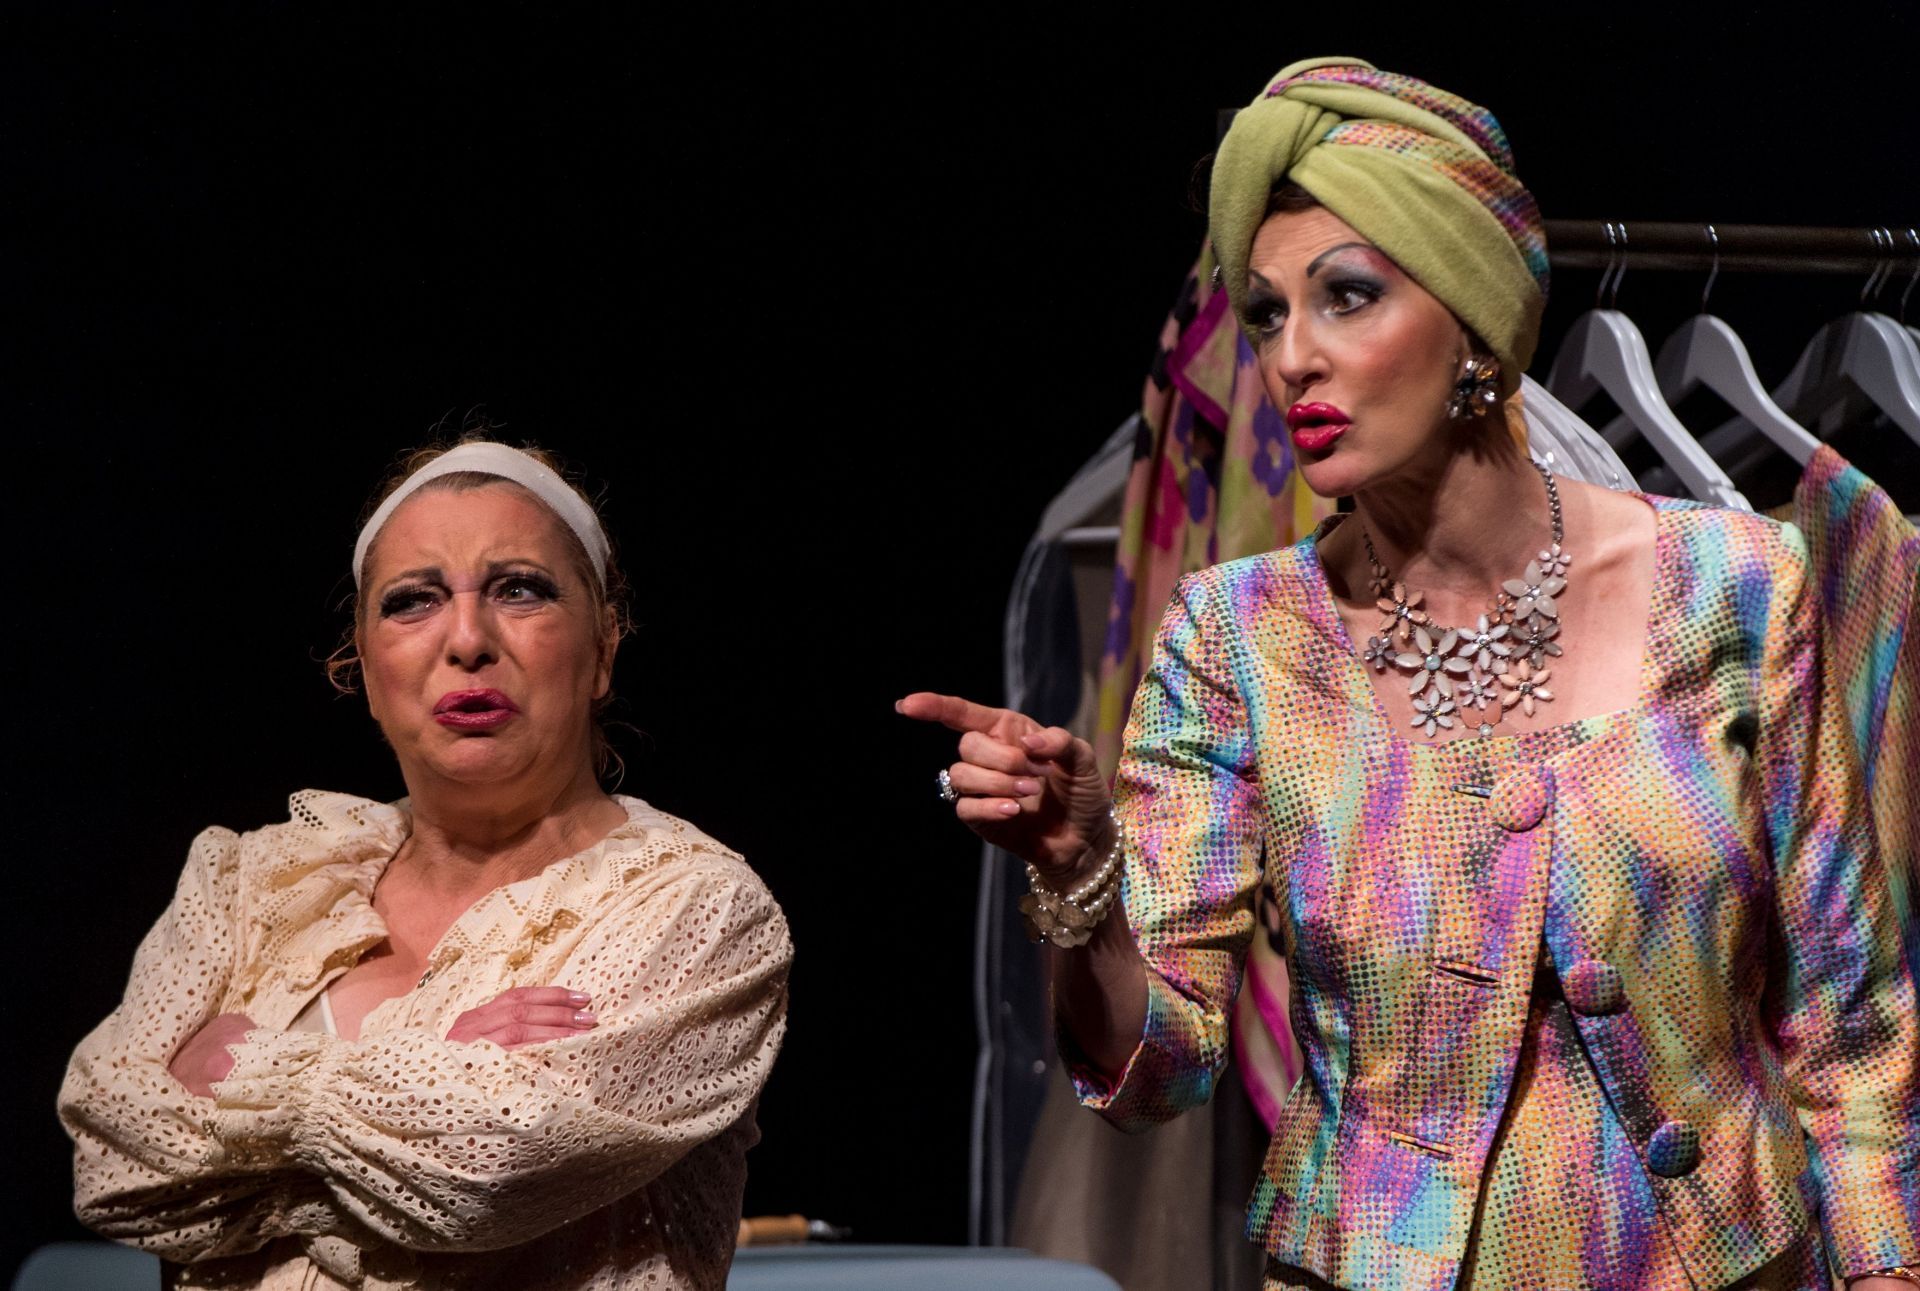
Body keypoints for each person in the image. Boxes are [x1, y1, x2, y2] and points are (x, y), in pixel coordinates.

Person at [902, 58, 1917, 1290]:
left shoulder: (1738, 584)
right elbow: (1159, 1066)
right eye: (1269, 314)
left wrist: (1884, 1268)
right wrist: (1081, 877)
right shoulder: (1239, 633)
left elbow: (1852, 1014)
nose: (1291, 361)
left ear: (1475, 319)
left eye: (1346, 297)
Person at [60, 438, 792, 1290]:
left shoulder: (692, 904)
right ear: (364, 670)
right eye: (414, 601)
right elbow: (113, 1168)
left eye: (521, 589)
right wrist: (419, 1068)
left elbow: (483, 1173)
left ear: (603, 649)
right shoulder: (254, 881)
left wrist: (246, 1073)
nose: (469, 639)